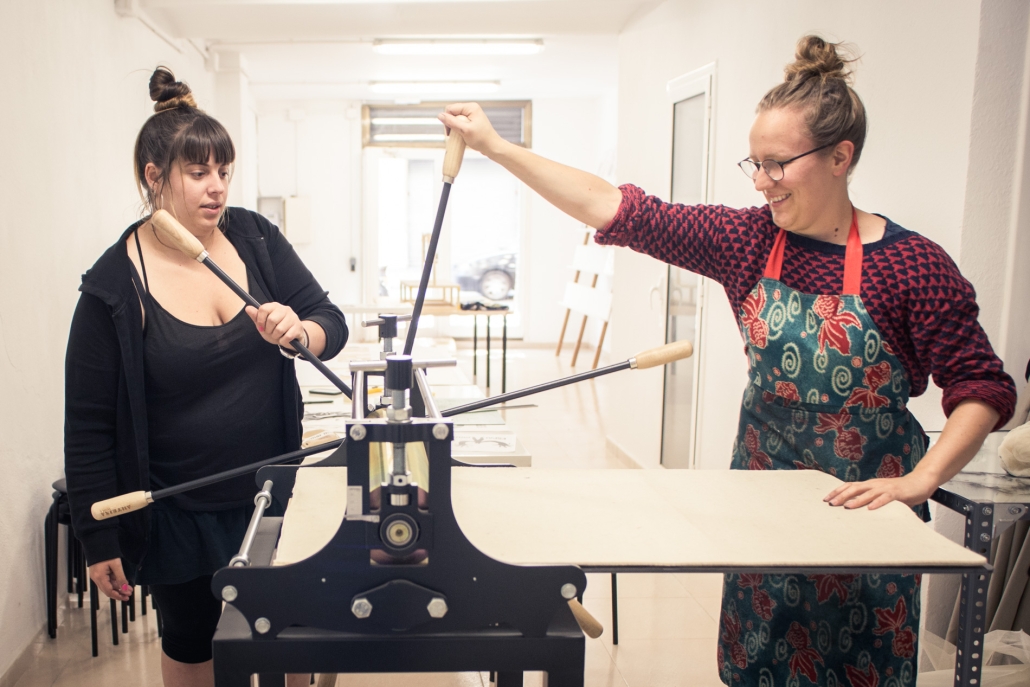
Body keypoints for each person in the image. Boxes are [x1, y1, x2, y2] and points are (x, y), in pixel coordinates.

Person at [439, 36, 1016, 686]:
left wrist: (921, 480)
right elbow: (619, 208)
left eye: (779, 164)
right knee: (756, 668)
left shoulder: (912, 264)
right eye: (755, 163)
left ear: (840, 157)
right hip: (760, 518)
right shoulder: (747, 241)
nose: (763, 182)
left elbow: (981, 388)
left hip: (866, 530)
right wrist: (497, 147)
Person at [64, 67, 348, 687]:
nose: (216, 188)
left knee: (286, 637)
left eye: (224, 171)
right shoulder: (114, 285)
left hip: (275, 496)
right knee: (195, 646)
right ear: (154, 177)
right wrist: (97, 538)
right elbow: (87, 426)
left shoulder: (254, 236)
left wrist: (301, 332)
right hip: (177, 511)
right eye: (199, 173)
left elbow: (331, 320)